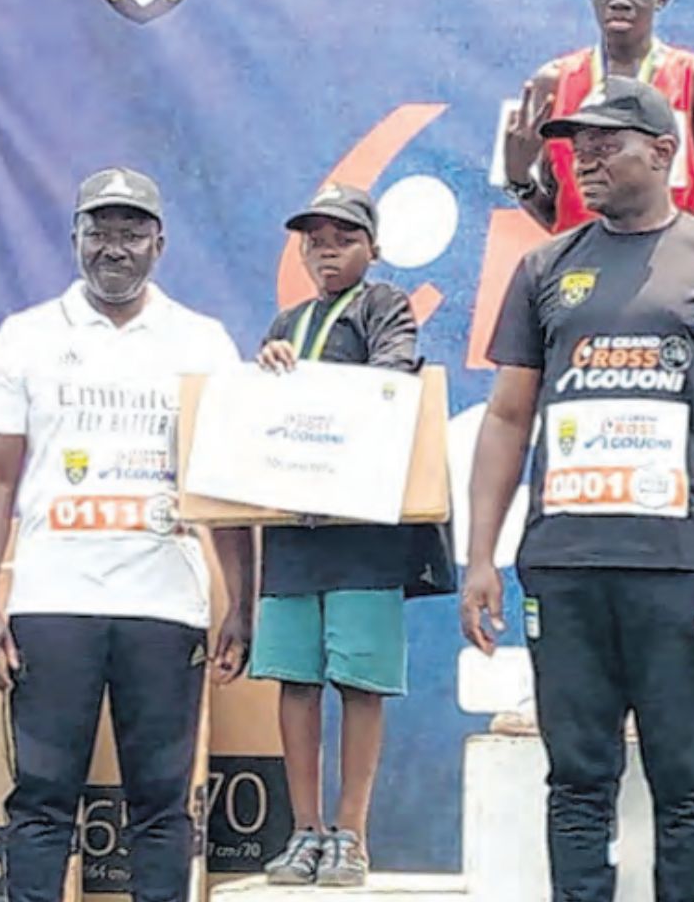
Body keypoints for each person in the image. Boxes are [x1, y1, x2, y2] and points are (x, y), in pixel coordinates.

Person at [462, 76, 694, 902]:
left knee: (685, 781)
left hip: (680, 566)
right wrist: (481, 557)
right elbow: (506, 419)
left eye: (608, 144)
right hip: (565, 566)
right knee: (577, 781)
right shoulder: (545, 267)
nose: (586, 161)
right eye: (576, 148)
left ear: (666, 152)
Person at [0, 167, 254, 902]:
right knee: (40, 796)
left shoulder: (203, 341)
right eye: (99, 230)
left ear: (160, 243)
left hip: (164, 606)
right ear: (75, 239)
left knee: (159, 801)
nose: (114, 248)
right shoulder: (25, 338)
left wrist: (244, 605)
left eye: (130, 232)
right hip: (53, 601)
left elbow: (226, 486)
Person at [250, 184, 422, 888]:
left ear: (372, 249)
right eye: (314, 239)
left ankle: (351, 832)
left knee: (358, 678)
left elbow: (397, 375)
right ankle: (304, 830)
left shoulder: (387, 307)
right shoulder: (284, 325)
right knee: (295, 678)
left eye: (344, 238)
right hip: (296, 527)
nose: (327, 250)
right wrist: (268, 375)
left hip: (363, 528)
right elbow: (255, 421)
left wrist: (313, 386)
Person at [501, 0, 694, 232]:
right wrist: (519, 179)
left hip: (672, 266)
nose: (620, 0)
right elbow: (558, 215)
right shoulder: (553, 82)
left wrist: (693, 263)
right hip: (583, 267)